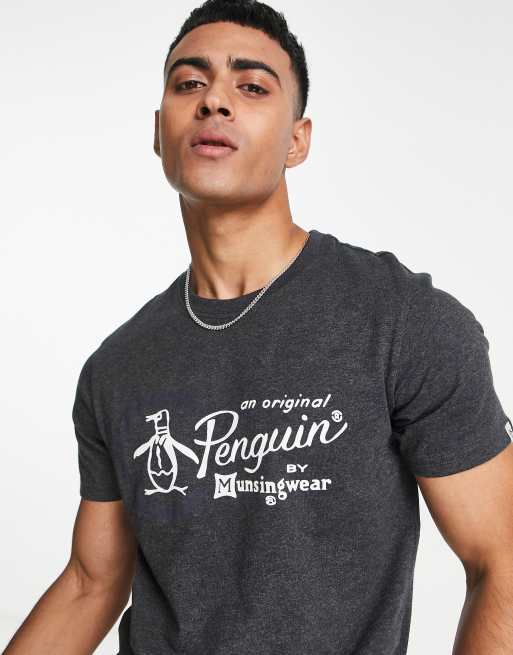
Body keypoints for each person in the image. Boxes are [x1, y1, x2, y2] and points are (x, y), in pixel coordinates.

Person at [5, 1, 513, 654]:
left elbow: (501, 559)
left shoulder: (401, 321)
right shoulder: (118, 367)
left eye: (250, 86)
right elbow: (90, 581)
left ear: (297, 140)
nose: (213, 100)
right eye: (189, 83)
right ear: (159, 132)